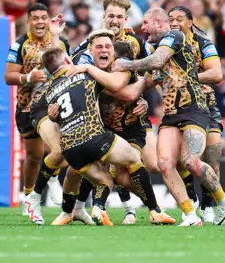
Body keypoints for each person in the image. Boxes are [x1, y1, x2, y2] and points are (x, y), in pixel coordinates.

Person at [113, 7, 225, 226]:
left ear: (159, 23)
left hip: (193, 108)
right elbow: (148, 73)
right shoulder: (157, 46)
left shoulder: (174, 37)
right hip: (170, 113)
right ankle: (189, 214)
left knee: (191, 161)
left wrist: (127, 65)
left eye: (146, 24)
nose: (143, 29)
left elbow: (157, 61)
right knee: (165, 163)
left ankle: (221, 200)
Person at [38, 41, 169, 227]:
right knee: (133, 160)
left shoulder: (49, 90)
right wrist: (143, 82)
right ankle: (155, 211)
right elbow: (119, 88)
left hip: (70, 148)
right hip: (95, 136)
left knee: (98, 178)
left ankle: (70, 212)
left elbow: (60, 112)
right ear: (69, 59)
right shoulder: (86, 75)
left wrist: (53, 117)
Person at [71, 0, 158, 224]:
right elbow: (72, 70)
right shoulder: (90, 44)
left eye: (120, 16)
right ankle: (90, 208)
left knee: (154, 165)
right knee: (104, 166)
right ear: (103, 17)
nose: (115, 20)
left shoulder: (136, 43)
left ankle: (180, 204)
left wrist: (143, 97)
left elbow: (152, 70)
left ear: (126, 19)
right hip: (100, 119)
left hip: (132, 117)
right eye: (111, 16)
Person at [4, 4, 70, 215]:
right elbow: (8, 76)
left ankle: (52, 179)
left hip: (54, 106)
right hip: (26, 107)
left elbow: (69, 69)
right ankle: (29, 196)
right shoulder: (20, 44)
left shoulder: (61, 42)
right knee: (33, 155)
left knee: (55, 149)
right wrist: (29, 78)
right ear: (28, 21)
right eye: (35, 18)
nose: (40, 22)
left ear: (49, 19)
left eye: (43, 17)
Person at [169, 6, 225, 223]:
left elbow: (217, 73)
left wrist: (187, 77)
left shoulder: (204, 44)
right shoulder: (167, 44)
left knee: (212, 159)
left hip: (207, 106)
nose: (174, 23)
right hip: (179, 108)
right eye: (171, 19)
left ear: (190, 22)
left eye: (179, 19)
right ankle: (192, 201)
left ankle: (208, 205)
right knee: (184, 159)